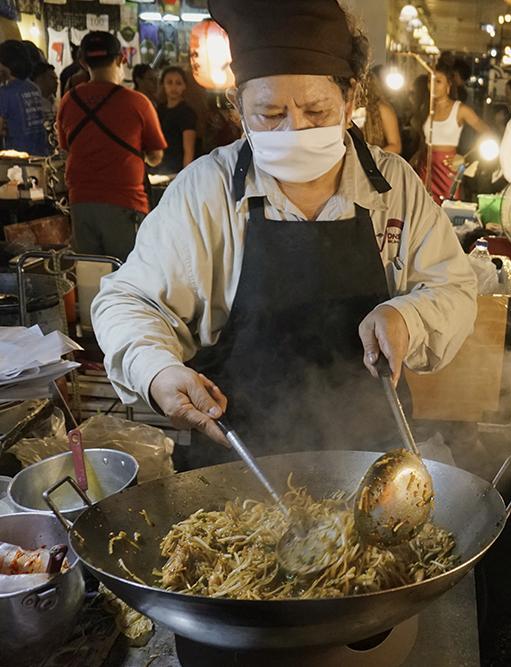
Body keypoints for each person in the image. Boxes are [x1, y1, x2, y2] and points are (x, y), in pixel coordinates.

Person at [91, 0, 476, 467]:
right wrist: (155, 371)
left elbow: (453, 287)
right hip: (236, 465)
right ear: (237, 105)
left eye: (315, 110)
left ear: (350, 98)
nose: (295, 129)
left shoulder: (394, 190)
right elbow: (127, 300)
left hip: (374, 469)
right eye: (270, 114)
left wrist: (408, 318)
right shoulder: (206, 190)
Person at [56, 31, 166, 260]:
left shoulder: (69, 100)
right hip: (125, 202)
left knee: (90, 275)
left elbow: (66, 147)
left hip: (81, 201)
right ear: (121, 59)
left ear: (84, 62)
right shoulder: (137, 102)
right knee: (127, 274)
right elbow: (155, 155)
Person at [421, 62, 491, 203]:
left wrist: (467, 158)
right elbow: (423, 139)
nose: (433, 85)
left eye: (438, 81)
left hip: (447, 167)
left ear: (449, 85)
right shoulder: (425, 108)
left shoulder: (460, 109)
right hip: (425, 167)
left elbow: (487, 133)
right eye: (430, 80)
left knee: (447, 209)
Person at [0, 41, 50, 156]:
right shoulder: (33, 87)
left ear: (5, 63)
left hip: (17, 157)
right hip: (39, 153)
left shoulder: (5, 93)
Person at [153, 66, 198, 174]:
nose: (173, 87)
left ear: (185, 86)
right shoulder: (159, 110)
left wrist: (184, 176)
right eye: (169, 82)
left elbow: (189, 150)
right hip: (158, 168)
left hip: (175, 171)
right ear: (163, 85)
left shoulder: (186, 113)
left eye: (178, 83)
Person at [358, 66, 401, 154]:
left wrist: (369, 158)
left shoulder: (382, 109)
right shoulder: (344, 108)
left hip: (375, 163)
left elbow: (396, 146)